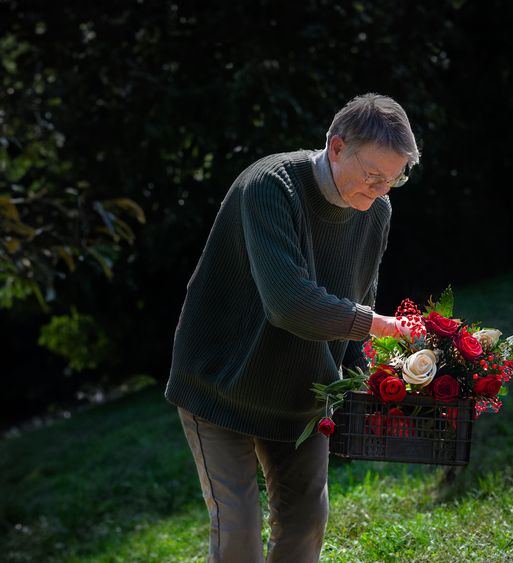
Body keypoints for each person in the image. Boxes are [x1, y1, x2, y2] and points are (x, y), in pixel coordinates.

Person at [164, 93, 421, 562]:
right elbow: (289, 304)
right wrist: (382, 327)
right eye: (373, 176)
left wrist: (373, 379)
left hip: (300, 394)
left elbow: (358, 300)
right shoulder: (270, 185)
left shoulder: (375, 210)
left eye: (394, 179)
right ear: (337, 146)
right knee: (238, 532)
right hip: (221, 383)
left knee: (305, 526)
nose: (382, 190)